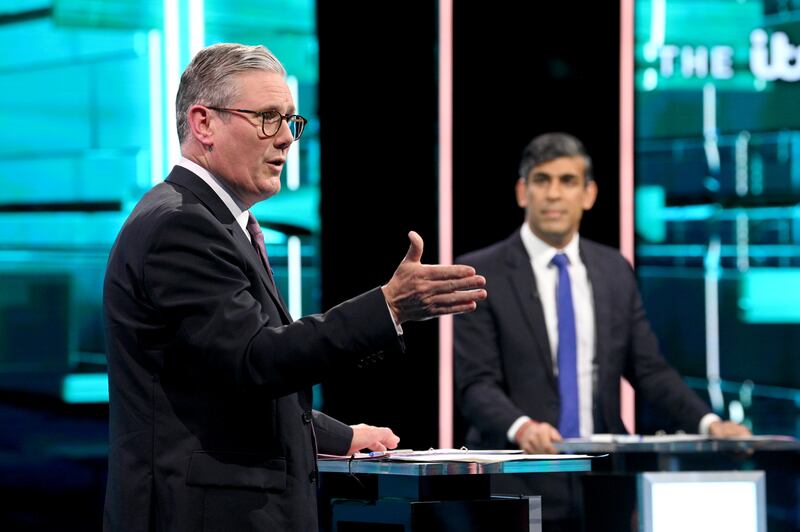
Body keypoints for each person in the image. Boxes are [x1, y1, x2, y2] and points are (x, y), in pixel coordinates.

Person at [103, 43, 486, 532]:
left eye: (290, 120)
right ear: (203, 123)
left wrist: (338, 435)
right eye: (267, 117)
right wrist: (387, 307)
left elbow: (216, 383)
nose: (286, 138)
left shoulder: (214, 221)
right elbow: (254, 361)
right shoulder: (180, 226)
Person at [453, 132, 749, 531]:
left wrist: (709, 424)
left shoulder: (614, 269)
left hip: (605, 483)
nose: (554, 194)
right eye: (542, 181)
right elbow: (475, 386)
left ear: (588, 194)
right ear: (523, 192)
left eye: (567, 181)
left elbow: (649, 371)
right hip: (517, 479)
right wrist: (522, 426)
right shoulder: (479, 273)